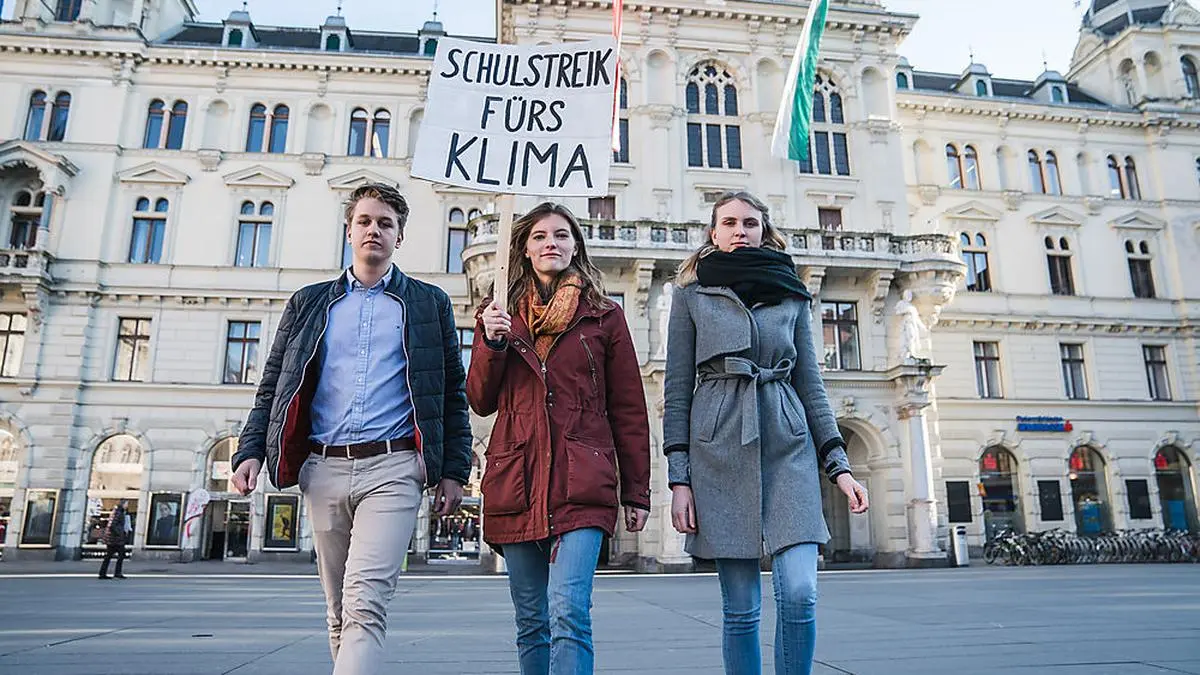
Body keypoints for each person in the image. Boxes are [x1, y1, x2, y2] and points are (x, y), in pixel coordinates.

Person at [230, 183, 473, 675]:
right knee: (339, 609)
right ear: (349, 231)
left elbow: (452, 391)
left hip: (395, 467)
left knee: (365, 602)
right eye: (364, 221)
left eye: (386, 223)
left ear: (400, 236)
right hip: (323, 467)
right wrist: (250, 448)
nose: (374, 230)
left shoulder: (429, 303)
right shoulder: (309, 302)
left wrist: (454, 469)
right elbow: (274, 383)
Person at [663, 191, 869, 675]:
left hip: (787, 443)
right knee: (740, 609)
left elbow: (811, 384)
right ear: (713, 233)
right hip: (718, 447)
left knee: (800, 591)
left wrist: (839, 467)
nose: (740, 230)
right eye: (730, 223)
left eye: (750, 223)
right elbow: (677, 389)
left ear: (764, 231)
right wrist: (679, 479)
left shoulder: (792, 293)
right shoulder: (690, 295)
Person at [467, 202, 652, 675]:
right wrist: (491, 343)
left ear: (576, 247)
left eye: (562, 235)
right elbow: (480, 400)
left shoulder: (605, 316)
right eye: (540, 236)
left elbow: (629, 408)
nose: (551, 242)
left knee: (569, 609)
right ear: (525, 249)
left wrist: (636, 491)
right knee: (532, 621)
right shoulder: (498, 314)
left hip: (582, 479)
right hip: (517, 479)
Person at [98, 500, 130, 580]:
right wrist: (120, 533)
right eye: (126, 503)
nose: (127, 505)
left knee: (109, 556)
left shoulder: (118, 511)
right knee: (120, 555)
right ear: (123, 504)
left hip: (113, 539)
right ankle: (116, 573)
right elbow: (112, 525)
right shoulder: (118, 512)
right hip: (116, 539)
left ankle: (103, 573)